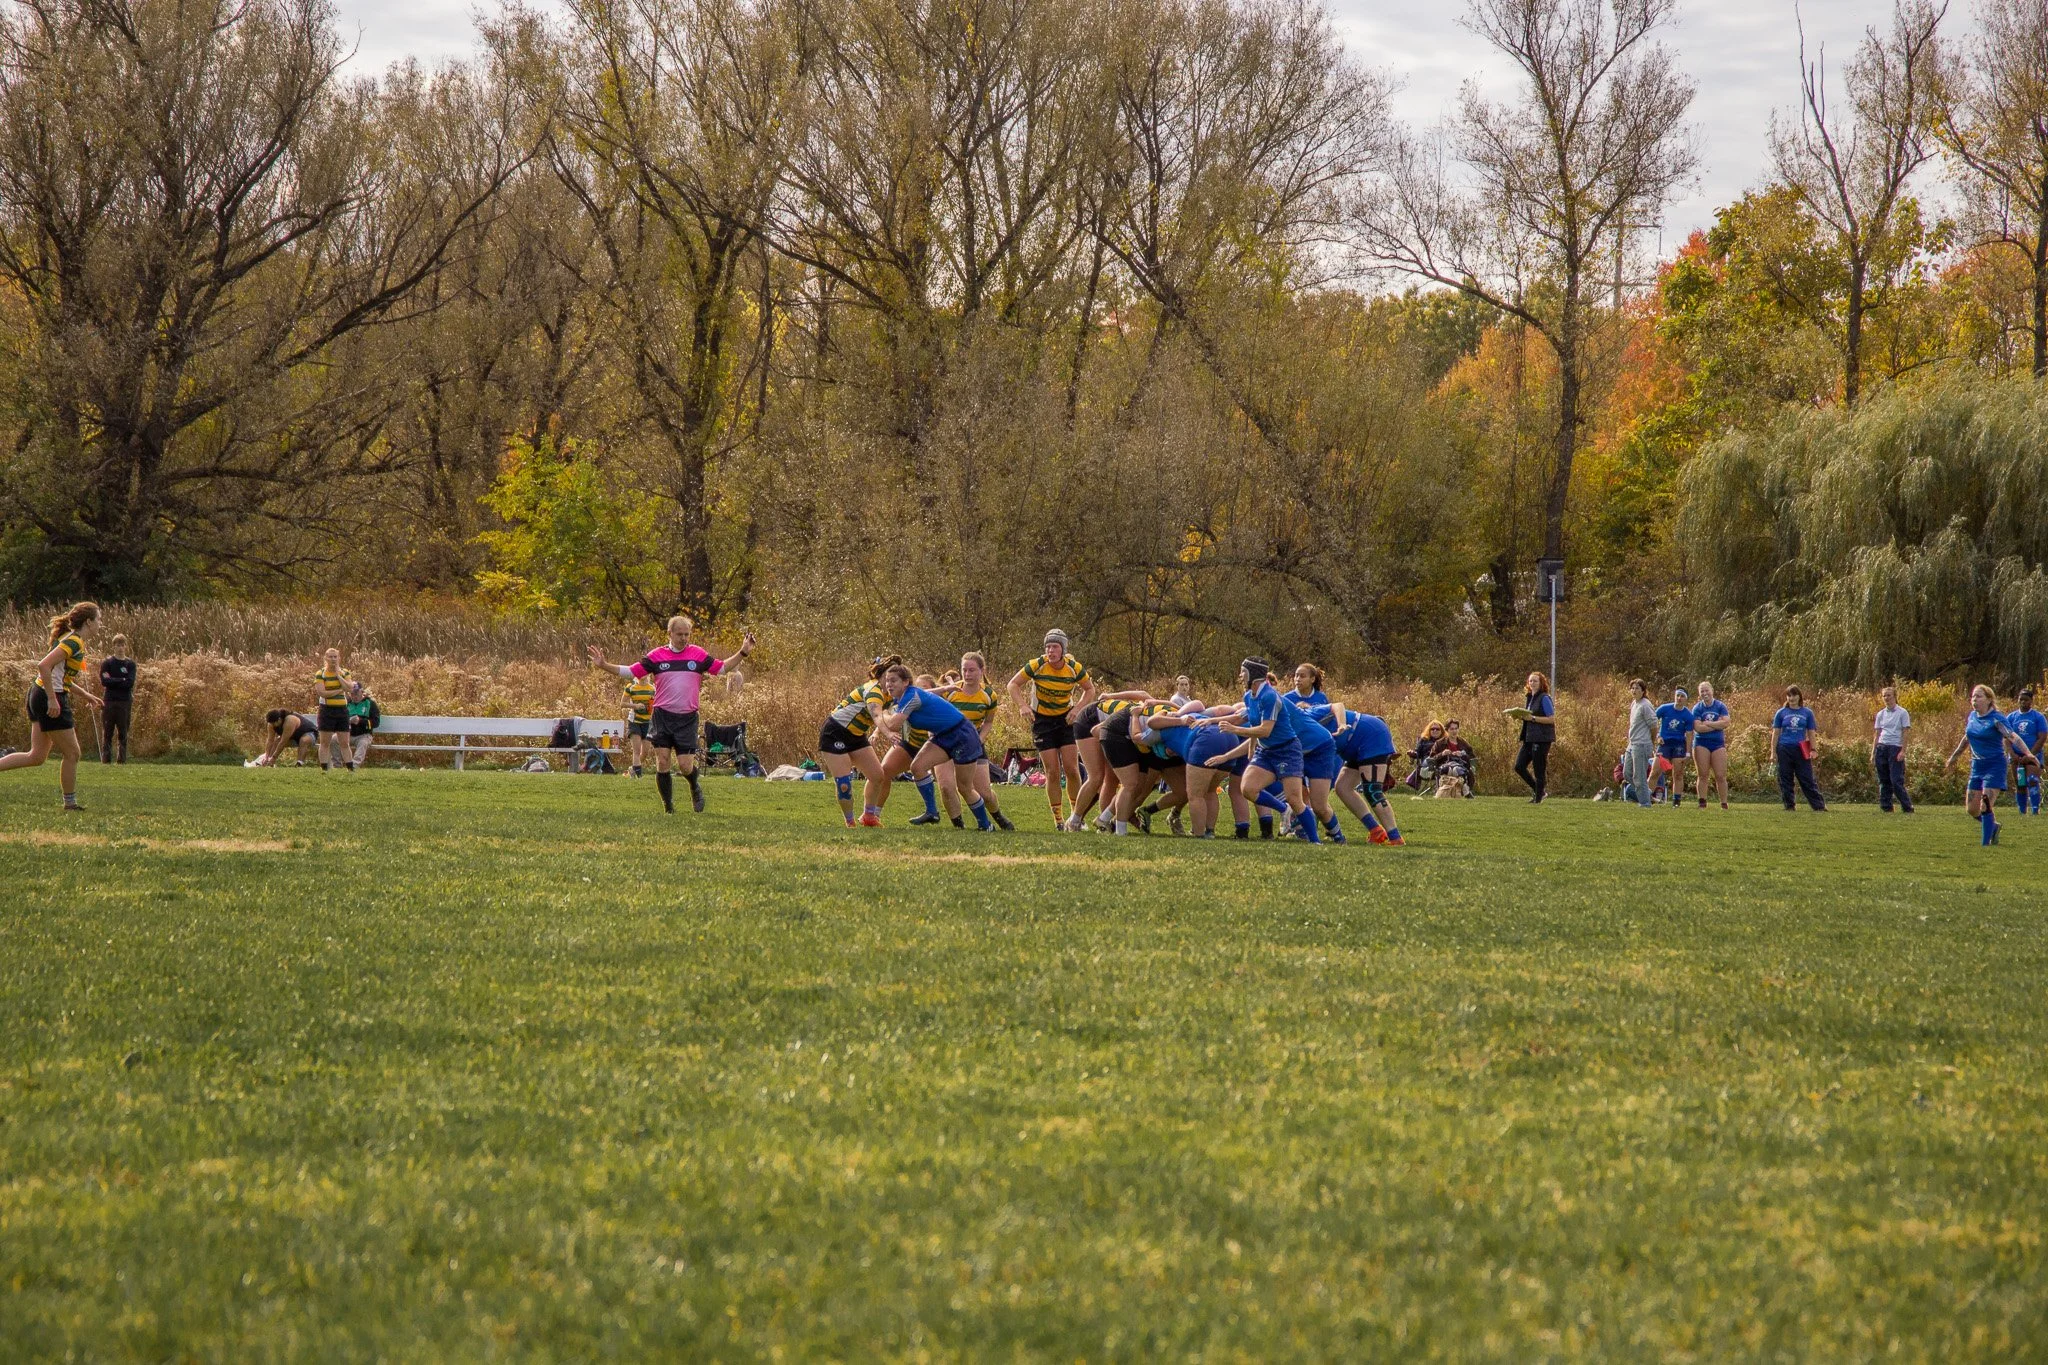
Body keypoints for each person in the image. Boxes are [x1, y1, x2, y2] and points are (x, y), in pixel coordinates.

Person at [588, 615, 755, 815]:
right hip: (662, 717)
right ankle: (668, 808)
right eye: (680, 634)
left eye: (687, 634)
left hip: (687, 718)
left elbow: (722, 668)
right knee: (663, 761)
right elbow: (631, 671)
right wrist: (604, 665)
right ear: (670, 633)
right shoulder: (656, 656)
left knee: (685, 765)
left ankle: (694, 785)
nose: (684, 638)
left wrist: (743, 652)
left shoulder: (697, 654)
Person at [877, 664, 1009, 831]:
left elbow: (894, 725)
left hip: (962, 735)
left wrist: (881, 713)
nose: (889, 685)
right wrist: (945, 688)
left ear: (906, 682)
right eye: (887, 681)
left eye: (893, 681)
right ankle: (932, 812)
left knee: (965, 787)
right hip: (943, 736)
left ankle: (986, 825)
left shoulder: (911, 696)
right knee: (917, 767)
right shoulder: (907, 695)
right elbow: (927, 693)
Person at [1204, 657, 1319, 843]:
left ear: (1253, 674)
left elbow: (1265, 730)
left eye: (1243, 672)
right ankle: (1285, 810)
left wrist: (1235, 730)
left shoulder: (1270, 696)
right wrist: (1210, 721)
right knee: (1247, 789)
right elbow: (1247, 719)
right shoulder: (1248, 696)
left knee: (1295, 799)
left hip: (1287, 750)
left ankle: (1315, 841)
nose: (1240, 676)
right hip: (1265, 752)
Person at [0, 601, 101, 809]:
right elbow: (43, 666)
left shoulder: (71, 639)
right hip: (47, 696)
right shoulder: (73, 642)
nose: (101, 623)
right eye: (99, 619)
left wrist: (85, 695)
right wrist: (52, 699)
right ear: (89, 622)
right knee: (73, 753)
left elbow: (59, 676)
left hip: (38, 693)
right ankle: (70, 804)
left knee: (36, 756)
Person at [1008, 630, 1094, 831]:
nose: (1050, 650)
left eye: (1055, 646)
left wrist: (1077, 709)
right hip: (1042, 721)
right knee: (1052, 771)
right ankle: (1058, 820)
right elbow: (1013, 685)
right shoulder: (1036, 664)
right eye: (1048, 646)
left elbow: (1090, 689)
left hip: (1066, 719)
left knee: (1072, 769)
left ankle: (1076, 817)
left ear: (1063, 649)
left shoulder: (1074, 667)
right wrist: (1022, 705)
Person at [1945, 685, 2038, 845]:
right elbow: (1967, 738)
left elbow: (2012, 737)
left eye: (1979, 696)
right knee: (1972, 809)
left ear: (1989, 699)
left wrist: (2028, 753)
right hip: (1977, 766)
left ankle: (1985, 844)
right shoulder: (1972, 717)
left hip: (1994, 766)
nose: (1974, 700)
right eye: (1973, 696)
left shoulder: (1996, 718)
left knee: (1985, 805)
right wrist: (1954, 757)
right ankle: (1993, 827)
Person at [815, 656, 897, 826]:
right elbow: (877, 716)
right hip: (835, 732)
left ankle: (868, 817)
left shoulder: (892, 693)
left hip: (856, 735)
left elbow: (919, 694)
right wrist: (888, 733)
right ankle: (850, 823)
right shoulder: (873, 690)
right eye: (888, 678)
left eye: (895, 678)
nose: (891, 682)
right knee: (844, 784)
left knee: (877, 776)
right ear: (881, 675)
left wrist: (947, 688)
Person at [1329, 707, 1403, 844]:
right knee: (1342, 787)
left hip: (1371, 736)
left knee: (1372, 790)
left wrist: (1342, 724)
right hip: (1354, 744)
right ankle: (1376, 830)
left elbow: (1338, 705)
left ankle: (1395, 838)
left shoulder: (1309, 715)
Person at [1770, 685, 1826, 811]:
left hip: (1801, 748)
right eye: (1789, 695)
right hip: (1784, 748)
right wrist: (1773, 752)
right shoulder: (1781, 713)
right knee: (1785, 778)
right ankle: (1789, 806)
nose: (1792, 698)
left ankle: (1819, 806)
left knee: (1807, 778)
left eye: (1794, 695)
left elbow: (1811, 732)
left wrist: (1813, 749)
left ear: (1799, 696)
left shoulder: (1807, 713)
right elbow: (1776, 733)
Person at [1513, 671, 1556, 802]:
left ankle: (1538, 799)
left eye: (1535, 681)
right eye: (1530, 681)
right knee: (1519, 766)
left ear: (1541, 683)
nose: (1532, 683)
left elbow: (1551, 719)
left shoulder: (1544, 698)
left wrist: (1532, 718)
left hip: (1542, 738)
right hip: (1529, 737)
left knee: (1539, 769)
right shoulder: (1529, 697)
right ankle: (1540, 791)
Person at [2004, 686, 2046, 815]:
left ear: (2031, 701)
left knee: (2032, 780)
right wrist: (2012, 753)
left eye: (2026, 700)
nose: (2023, 702)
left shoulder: (2038, 717)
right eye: (2021, 699)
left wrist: (2030, 754)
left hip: (2033, 754)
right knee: (2020, 784)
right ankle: (2022, 812)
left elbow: (2042, 737)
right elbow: (2006, 738)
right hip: (2016, 756)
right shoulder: (2011, 717)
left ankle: (2035, 810)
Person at [1872, 684, 1914, 814]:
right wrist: (1873, 752)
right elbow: (1877, 734)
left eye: (1889, 695)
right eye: (1884, 696)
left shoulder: (1902, 713)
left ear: (1894, 696)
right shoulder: (1880, 714)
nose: (1886, 698)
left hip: (1895, 747)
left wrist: (1903, 750)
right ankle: (1886, 807)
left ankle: (1907, 806)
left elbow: (1905, 732)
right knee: (1883, 780)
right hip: (1882, 747)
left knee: (1896, 780)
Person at [1691, 680, 1731, 809]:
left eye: (1706, 690)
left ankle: (1724, 803)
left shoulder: (1720, 706)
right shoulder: (1697, 708)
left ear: (1712, 691)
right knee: (1703, 775)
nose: (1704, 693)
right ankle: (1702, 802)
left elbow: (1726, 723)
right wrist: (1717, 724)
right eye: (1702, 691)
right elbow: (1698, 728)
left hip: (1718, 744)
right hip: (1701, 743)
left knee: (1720, 775)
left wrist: (1708, 723)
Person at [97, 633, 136, 764]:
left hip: (124, 702)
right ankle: (106, 760)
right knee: (107, 732)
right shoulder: (107, 663)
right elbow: (105, 681)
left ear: (126, 646)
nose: (120, 648)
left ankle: (121, 760)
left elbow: (130, 683)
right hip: (109, 701)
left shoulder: (130, 664)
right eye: (118, 645)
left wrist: (114, 681)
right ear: (113, 646)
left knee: (123, 732)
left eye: (122, 645)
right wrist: (121, 679)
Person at [313, 648, 354, 772]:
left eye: (335, 657)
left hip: (342, 710)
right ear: (326, 658)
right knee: (325, 742)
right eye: (330, 657)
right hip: (327, 710)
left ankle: (350, 768)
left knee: (344, 742)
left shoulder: (345, 672)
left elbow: (350, 687)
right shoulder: (321, 673)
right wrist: (340, 690)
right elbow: (322, 692)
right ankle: (324, 768)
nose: (333, 659)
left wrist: (338, 676)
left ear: (339, 658)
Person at [1653, 686, 1693, 808]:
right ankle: (1647, 798)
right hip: (1664, 744)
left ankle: (1676, 801)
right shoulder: (1664, 709)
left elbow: (1689, 735)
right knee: (1655, 772)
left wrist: (1688, 753)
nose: (1679, 698)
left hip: (1678, 745)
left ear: (1686, 699)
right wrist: (1657, 736)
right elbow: (1652, 721)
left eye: (1682, 696)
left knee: (1678, 774)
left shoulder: (1688, 715)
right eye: (1677, 695)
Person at [1624, 679, 1656, 808]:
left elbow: (1654, 726)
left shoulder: (1645, 705)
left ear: (1643, 691)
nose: (1634, 690)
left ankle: (1645, 803)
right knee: (1627, 773)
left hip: (1642, 744)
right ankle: (1646, 793)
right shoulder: (1634, 703)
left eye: (1637, 688)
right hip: (1632, 743)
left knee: (1639, 776)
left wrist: (1652, 742)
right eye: (1632, 688)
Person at [1430, 720, 1475, 798]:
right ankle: (1465, 789)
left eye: (1456, 728)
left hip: (1461, 766)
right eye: (1452, 729)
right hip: (1444, 766)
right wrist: (1442, 754)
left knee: (1455, 769)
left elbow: (1472, 757)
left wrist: (1462, 754)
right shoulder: (1439, 743)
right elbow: (1432, 759)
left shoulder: (1463, 743)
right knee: (1451, 769)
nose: (1454, 731)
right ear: (1447, 730)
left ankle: (1459, 788)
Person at [622, 673, 655, 777]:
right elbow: (622, 704)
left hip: (648, 723)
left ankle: (633, 769)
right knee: (636, 751)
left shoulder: (653, 688)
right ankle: (638, 776)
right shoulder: (631, 687)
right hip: (634, 722)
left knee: (644, 753)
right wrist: (635, 706)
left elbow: (657, 704)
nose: (642, 674)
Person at [346, 680, 381, 767]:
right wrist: (349, 721)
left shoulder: (370, 704)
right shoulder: (346, 703)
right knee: (334, 740)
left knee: (363, 743)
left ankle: (353, 767)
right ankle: (336, 766)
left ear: (362, 692)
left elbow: (376, 722)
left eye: (356, 693)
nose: (354, 696)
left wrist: (360, 721)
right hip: (347, 734)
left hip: (364, 735)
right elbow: (339, 720)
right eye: (352, 694)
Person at [1404, 720, 1445, 790]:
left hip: (1442, 763)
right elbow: (1417, 753)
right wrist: (1412, 754)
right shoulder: (1424, 740)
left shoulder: (1445, 741)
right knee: (1430, 759)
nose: (1435, 730)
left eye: (1437, 729)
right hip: (1427, 764)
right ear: (1429, 730)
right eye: (1432, 729)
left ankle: (1441, 788)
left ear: (1442, 731)